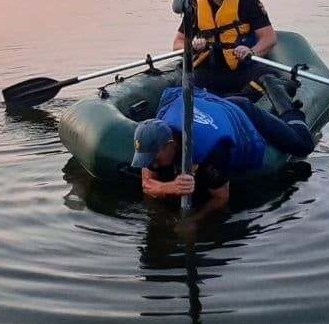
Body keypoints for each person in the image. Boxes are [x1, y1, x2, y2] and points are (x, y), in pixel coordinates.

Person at [131, 73, 315, 217]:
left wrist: (193, 221)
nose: (151, 165)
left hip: (240, 112)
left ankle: (279, 93)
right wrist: (170, 188)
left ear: (169, 145)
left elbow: (221, 198)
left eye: (154, 159)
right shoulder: (154, 132)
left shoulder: (212, 148)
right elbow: (146, 183)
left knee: (302, 145)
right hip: (213, 107)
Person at [173, 0, 277, 100]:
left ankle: (238, 104)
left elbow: (269, 38)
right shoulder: (196, 6)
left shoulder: (247, 1)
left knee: (270, 80)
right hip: (209, 69)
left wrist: (251, 52)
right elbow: (177, 43)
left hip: (241, 68)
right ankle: (221, 104)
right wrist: (192, 47)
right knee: (181, 85)